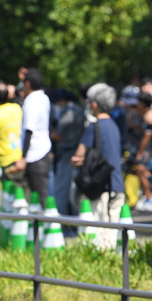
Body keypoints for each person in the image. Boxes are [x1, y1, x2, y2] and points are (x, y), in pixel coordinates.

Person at [71, 83, 125, 248]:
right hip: (117, 184)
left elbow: (78, 156)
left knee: (99, 233)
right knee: (112, 230)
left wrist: (75, 161)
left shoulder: (93, 127)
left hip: (100, 186)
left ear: (94, 105)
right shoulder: (115, 126)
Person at [10, 67, 52, 202]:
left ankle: (43, 223)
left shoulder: (31, 101)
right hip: (43, 150)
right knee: (41, 195)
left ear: (27, 84)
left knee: (38, 197)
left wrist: (23, 156)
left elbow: (29, 130)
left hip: (34, 154)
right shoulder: (43, 97)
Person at [49, 88, 86, 223]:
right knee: (74, 191)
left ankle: (62, 223)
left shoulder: (67, 112)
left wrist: (49, 133)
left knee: (62, 191)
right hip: (78, 153)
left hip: (66, 154)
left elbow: (58, 135)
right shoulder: (81, 110)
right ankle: (75, 222)